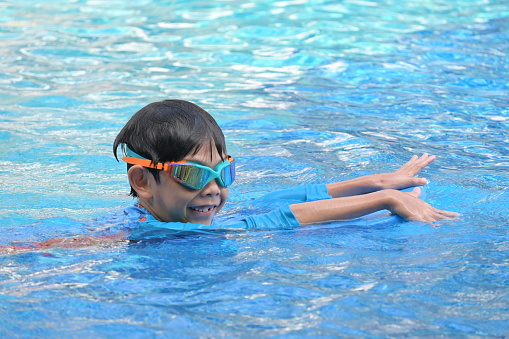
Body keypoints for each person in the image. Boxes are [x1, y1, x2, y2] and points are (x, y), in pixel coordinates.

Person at [0, 99, 458, 253]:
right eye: (193, 174)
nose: (214, 190)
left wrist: (380, 181)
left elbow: (293, 195)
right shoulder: (162, 232)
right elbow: (282, 218)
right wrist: (384, 202)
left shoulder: (182, 208)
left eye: (224, 172)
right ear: (143, 182)